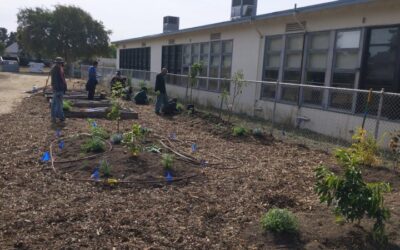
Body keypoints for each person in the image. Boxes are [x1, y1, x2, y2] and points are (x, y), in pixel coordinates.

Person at [50, 57, 67, 123]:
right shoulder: (55, 70)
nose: (60, 64)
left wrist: (65, 87)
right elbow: (55, 81)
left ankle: (54, 117)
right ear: (56, 63)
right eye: (59, 63)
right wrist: (58, 89)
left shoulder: (59, 69)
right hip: (58, 89)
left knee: (55, 104)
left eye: (60, 63)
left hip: (58, 89)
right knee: (59, 104)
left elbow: (63, 79)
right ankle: (61, 117)